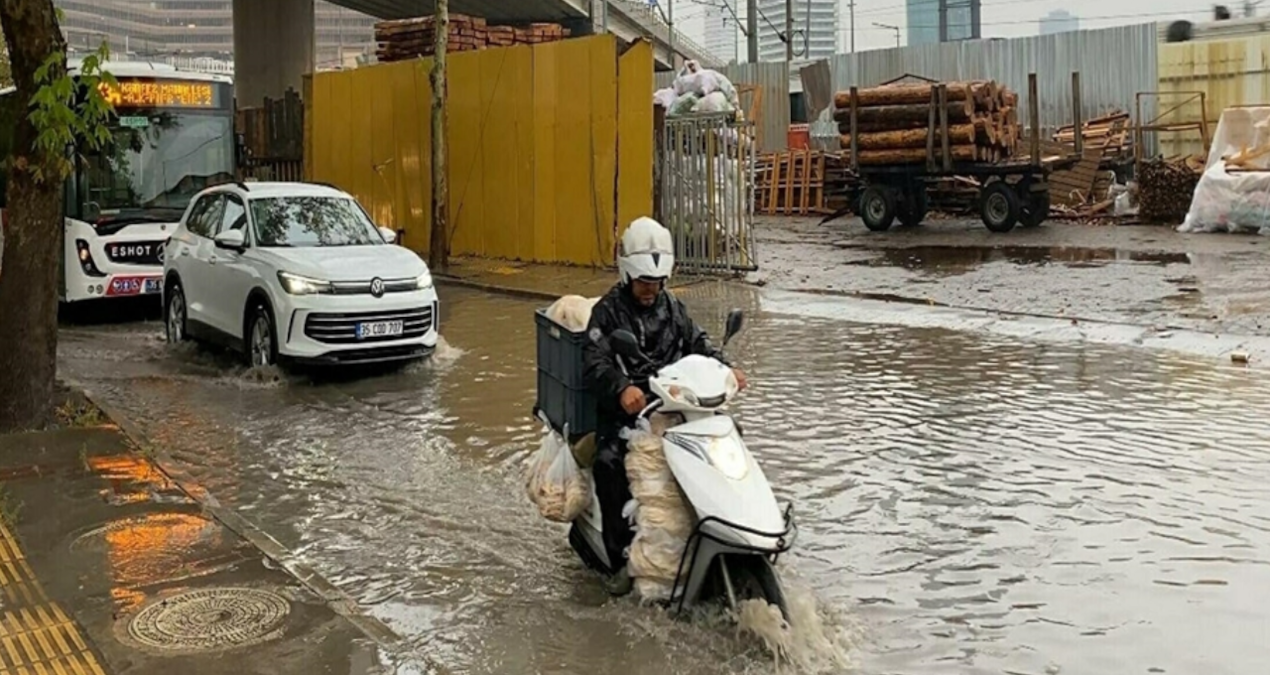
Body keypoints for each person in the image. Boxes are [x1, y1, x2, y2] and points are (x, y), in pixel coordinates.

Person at [582, 217, 747, 596]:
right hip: (628, 415)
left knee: (730, 439)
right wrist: (622, 387)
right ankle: (621, 560)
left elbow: (698, 344)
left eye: (656, 284)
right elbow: (593, 362)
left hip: (676, 409)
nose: (650, 291)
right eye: (643, 283)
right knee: (609, 462)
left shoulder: (672, 307)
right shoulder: (607, 312)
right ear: (628, 275)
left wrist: (726, 369)